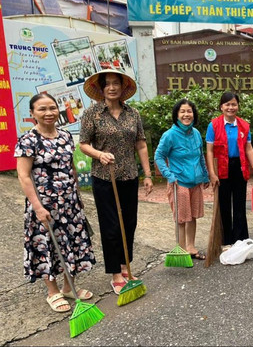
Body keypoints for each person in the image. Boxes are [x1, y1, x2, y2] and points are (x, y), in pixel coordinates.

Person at [15, 93, 96, 313]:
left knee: (72, 241)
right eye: (42, 109)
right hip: (44, 204)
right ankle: (52, 292)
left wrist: (77, 195)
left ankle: (69, 287)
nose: (49, 113)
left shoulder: (66, 136)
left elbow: (71, 168)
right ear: (32, 113)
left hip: (69, 203)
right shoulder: (28, 140)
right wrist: (38, 208)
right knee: (47, 245)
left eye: (52, 108)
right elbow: (23, 176)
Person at [79, 69, 153, 294]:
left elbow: (140, 144)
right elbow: (83, 144)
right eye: (107, 84)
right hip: (104, 178)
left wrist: (148, 175)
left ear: (123, 88)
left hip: (128, 176)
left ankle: (126, 265)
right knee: (111, 226)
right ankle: (115, 273)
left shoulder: (133, 114)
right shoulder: (92, 113)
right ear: (101, 89)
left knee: (129, 223)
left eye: (116, 84)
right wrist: (99, 154)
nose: (111, 88)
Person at [206, 92, 253, 250]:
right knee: (224, 205)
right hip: (222, 168)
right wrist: (212, 173)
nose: (230, 107)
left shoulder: (244, 126)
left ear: (238, 106)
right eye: (227, 104)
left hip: (239, 167)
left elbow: (249, 149)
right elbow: (210, 151)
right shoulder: (214, 125)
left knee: (239, 205)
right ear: (221, 107)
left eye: (233, 104)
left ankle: (241, 239)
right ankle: (226, 241)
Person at [154, 99, 210, 260]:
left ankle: (191, 248)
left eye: (189, 111)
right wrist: (169, 175)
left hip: (195, 182)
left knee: (192, 216)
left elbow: (200, 156)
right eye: (183, 111)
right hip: (179, 183)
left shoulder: (196, 133)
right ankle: (181, 250)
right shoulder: (170, 135)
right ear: (177, 115)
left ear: (194, 114)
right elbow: (159, 156)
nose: (186, 115)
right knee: (181, 218)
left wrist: (205, 175)